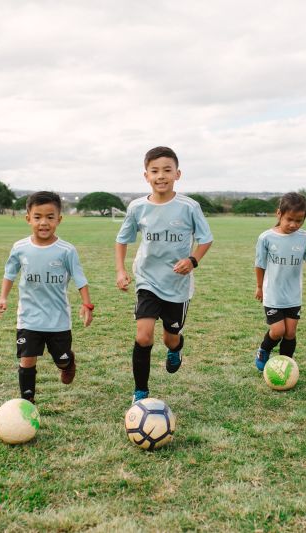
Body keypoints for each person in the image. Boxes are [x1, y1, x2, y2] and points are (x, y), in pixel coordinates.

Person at [115, 146, 214, 403]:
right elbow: (122, 240)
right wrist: (121, 270)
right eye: (155, 171)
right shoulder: (137, 208)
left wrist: (192, 260)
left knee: (170, 338)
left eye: (167, 170)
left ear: (177, 174)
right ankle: (141, 392)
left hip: (177, 285)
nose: (161, 176)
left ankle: (176, 348)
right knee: (143, 335)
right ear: (145, 175)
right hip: (147, 279)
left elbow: (206, 240)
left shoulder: (189, 207)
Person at [0, 191, 93, 403]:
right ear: (28, 218)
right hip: (29, 317)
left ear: (59, 219)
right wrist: (3, 298)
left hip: (58, 319)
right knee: (26, 359)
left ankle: (68, 363)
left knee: (62, 360)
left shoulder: (66, 250)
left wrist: (87, 304)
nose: (44, 223)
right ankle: (27, 404)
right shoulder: (20, 248)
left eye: (50, 217)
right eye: (37, 217)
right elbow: (9, 273)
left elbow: (80, 278)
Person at [254, 192, 306, 370]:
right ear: (279, 214)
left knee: (290, 332)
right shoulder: (266, 238)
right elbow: (260, 265)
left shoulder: (305, 237)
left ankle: (284, 365)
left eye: (299, 221)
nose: (293, 225)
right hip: (273, 293)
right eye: (289, 219)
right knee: (278, 331)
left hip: (293, 294)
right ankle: (263, 349)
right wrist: (259, 287)